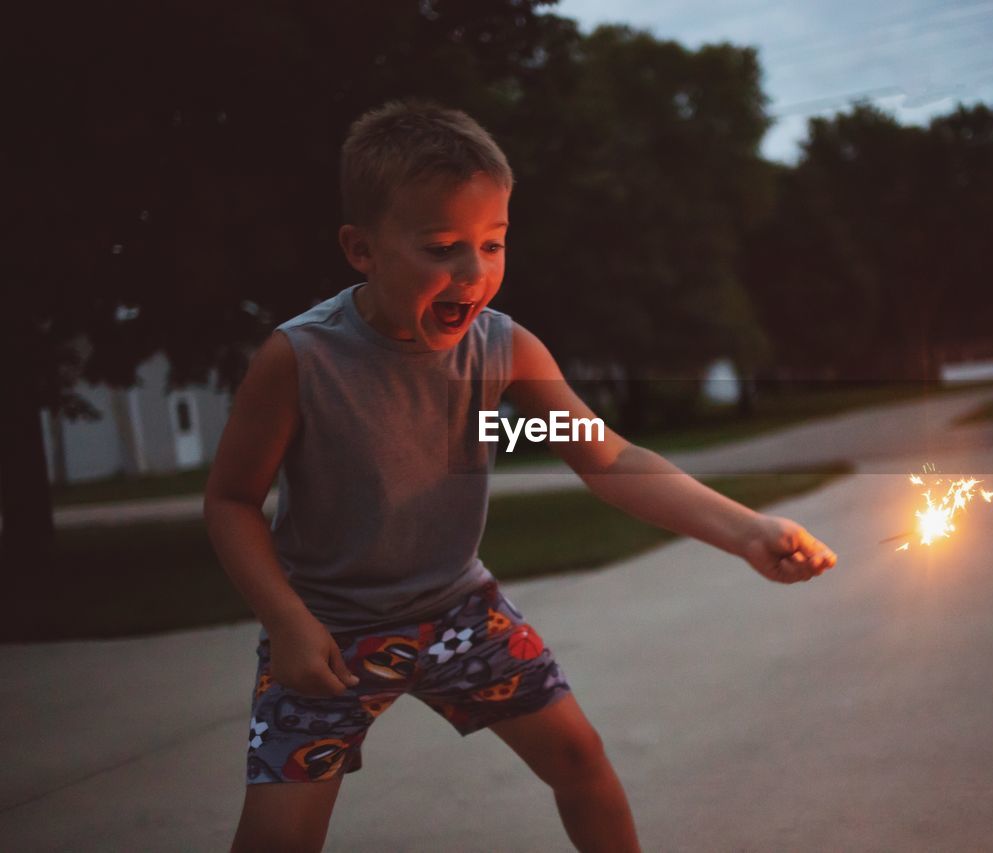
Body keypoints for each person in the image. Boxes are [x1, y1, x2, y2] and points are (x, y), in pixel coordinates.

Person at [203, 99, 838, 853]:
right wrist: (287, 622)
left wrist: (747, 528)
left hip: (460, 611)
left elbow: (609, 459)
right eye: (442, 246)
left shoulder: (501, 352)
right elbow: (232, 501)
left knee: (580, 759)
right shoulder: (301, 359)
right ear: (361, 248)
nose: (474, 272)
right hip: (325, 630)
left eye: (493, 243)